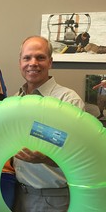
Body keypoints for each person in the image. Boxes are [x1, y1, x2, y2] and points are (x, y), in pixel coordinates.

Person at [9, 36, 85, 212]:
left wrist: (47, 158)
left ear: (50, 62)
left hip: (52, 199)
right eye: (27, 58)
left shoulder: (68, 100)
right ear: (20, 62)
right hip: (18, 193)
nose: (33, 63)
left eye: (40, 57)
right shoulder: (14, 100)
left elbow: (79, 154)